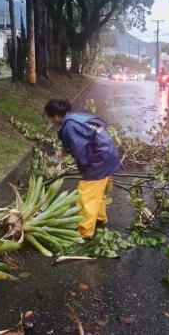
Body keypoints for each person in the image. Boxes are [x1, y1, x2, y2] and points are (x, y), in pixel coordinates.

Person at [44, 99, 122, 238]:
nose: (51, 120)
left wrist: (84, 169)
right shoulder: (75, 117)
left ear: (55, 116)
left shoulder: (69, 127)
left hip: (99, 159)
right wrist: (66, 150)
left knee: (86, 194)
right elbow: (82, 139)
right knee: (96, 192)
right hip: (108, 153)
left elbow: (81, 153)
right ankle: (99, 218)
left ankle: (85, 232)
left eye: (50, 117)